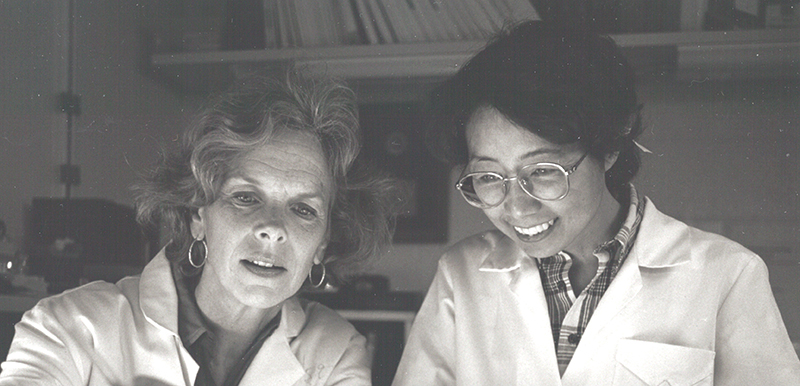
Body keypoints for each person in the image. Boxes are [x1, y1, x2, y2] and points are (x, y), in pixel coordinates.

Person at [393, 21, 800, 385]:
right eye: (488, 177)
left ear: (611, 146)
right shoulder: (461, 275)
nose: (516, 208)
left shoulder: (726, 275)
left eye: (544, 170)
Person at [0, 73, 399, 385]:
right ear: (197, 214)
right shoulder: (67, 325)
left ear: (323, 242)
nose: (273, 229)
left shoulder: (337, 352)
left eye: (303, 209)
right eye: (245, 197)